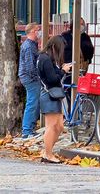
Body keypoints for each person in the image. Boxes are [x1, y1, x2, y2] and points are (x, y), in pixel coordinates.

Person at [37, 35, 72, 164]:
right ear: (53, 47)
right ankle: (48, 154)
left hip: (52, 94)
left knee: (59, 126)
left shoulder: (46, 58)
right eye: (59, 50)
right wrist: (62, 71)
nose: (60, 53)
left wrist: (60, 69)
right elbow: (52, 79)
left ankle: (48, 151)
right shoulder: (45, 59)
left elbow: (53, 75)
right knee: (52, 126)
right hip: (49, 94)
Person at [18, 23, 42, 139]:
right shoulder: (28, 46)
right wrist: (37, 77)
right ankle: (27, 130)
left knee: (34, 103)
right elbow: (29, 66)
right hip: (30, 78)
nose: (39, 32)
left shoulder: (31, 45)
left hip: (29, 78)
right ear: (33, 31)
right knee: (32, 103)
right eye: (38, 30)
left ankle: (29, 129)